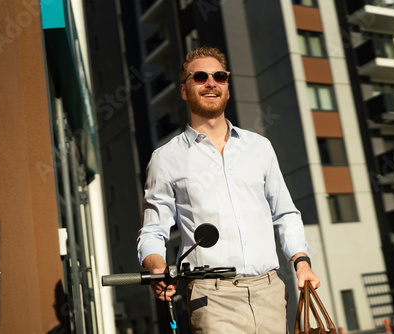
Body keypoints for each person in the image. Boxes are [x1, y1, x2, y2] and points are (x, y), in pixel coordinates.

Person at [137, 46, 320, 333]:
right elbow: (152, 230)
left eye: (219, 76)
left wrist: (302, 261)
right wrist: (156, 265)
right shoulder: (165, 159)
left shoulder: (259, 147)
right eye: (200, 77)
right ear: (184, 90)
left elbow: (285, 213)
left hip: (270, 291)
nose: (211, 83)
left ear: (227, 87)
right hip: (213, 297)